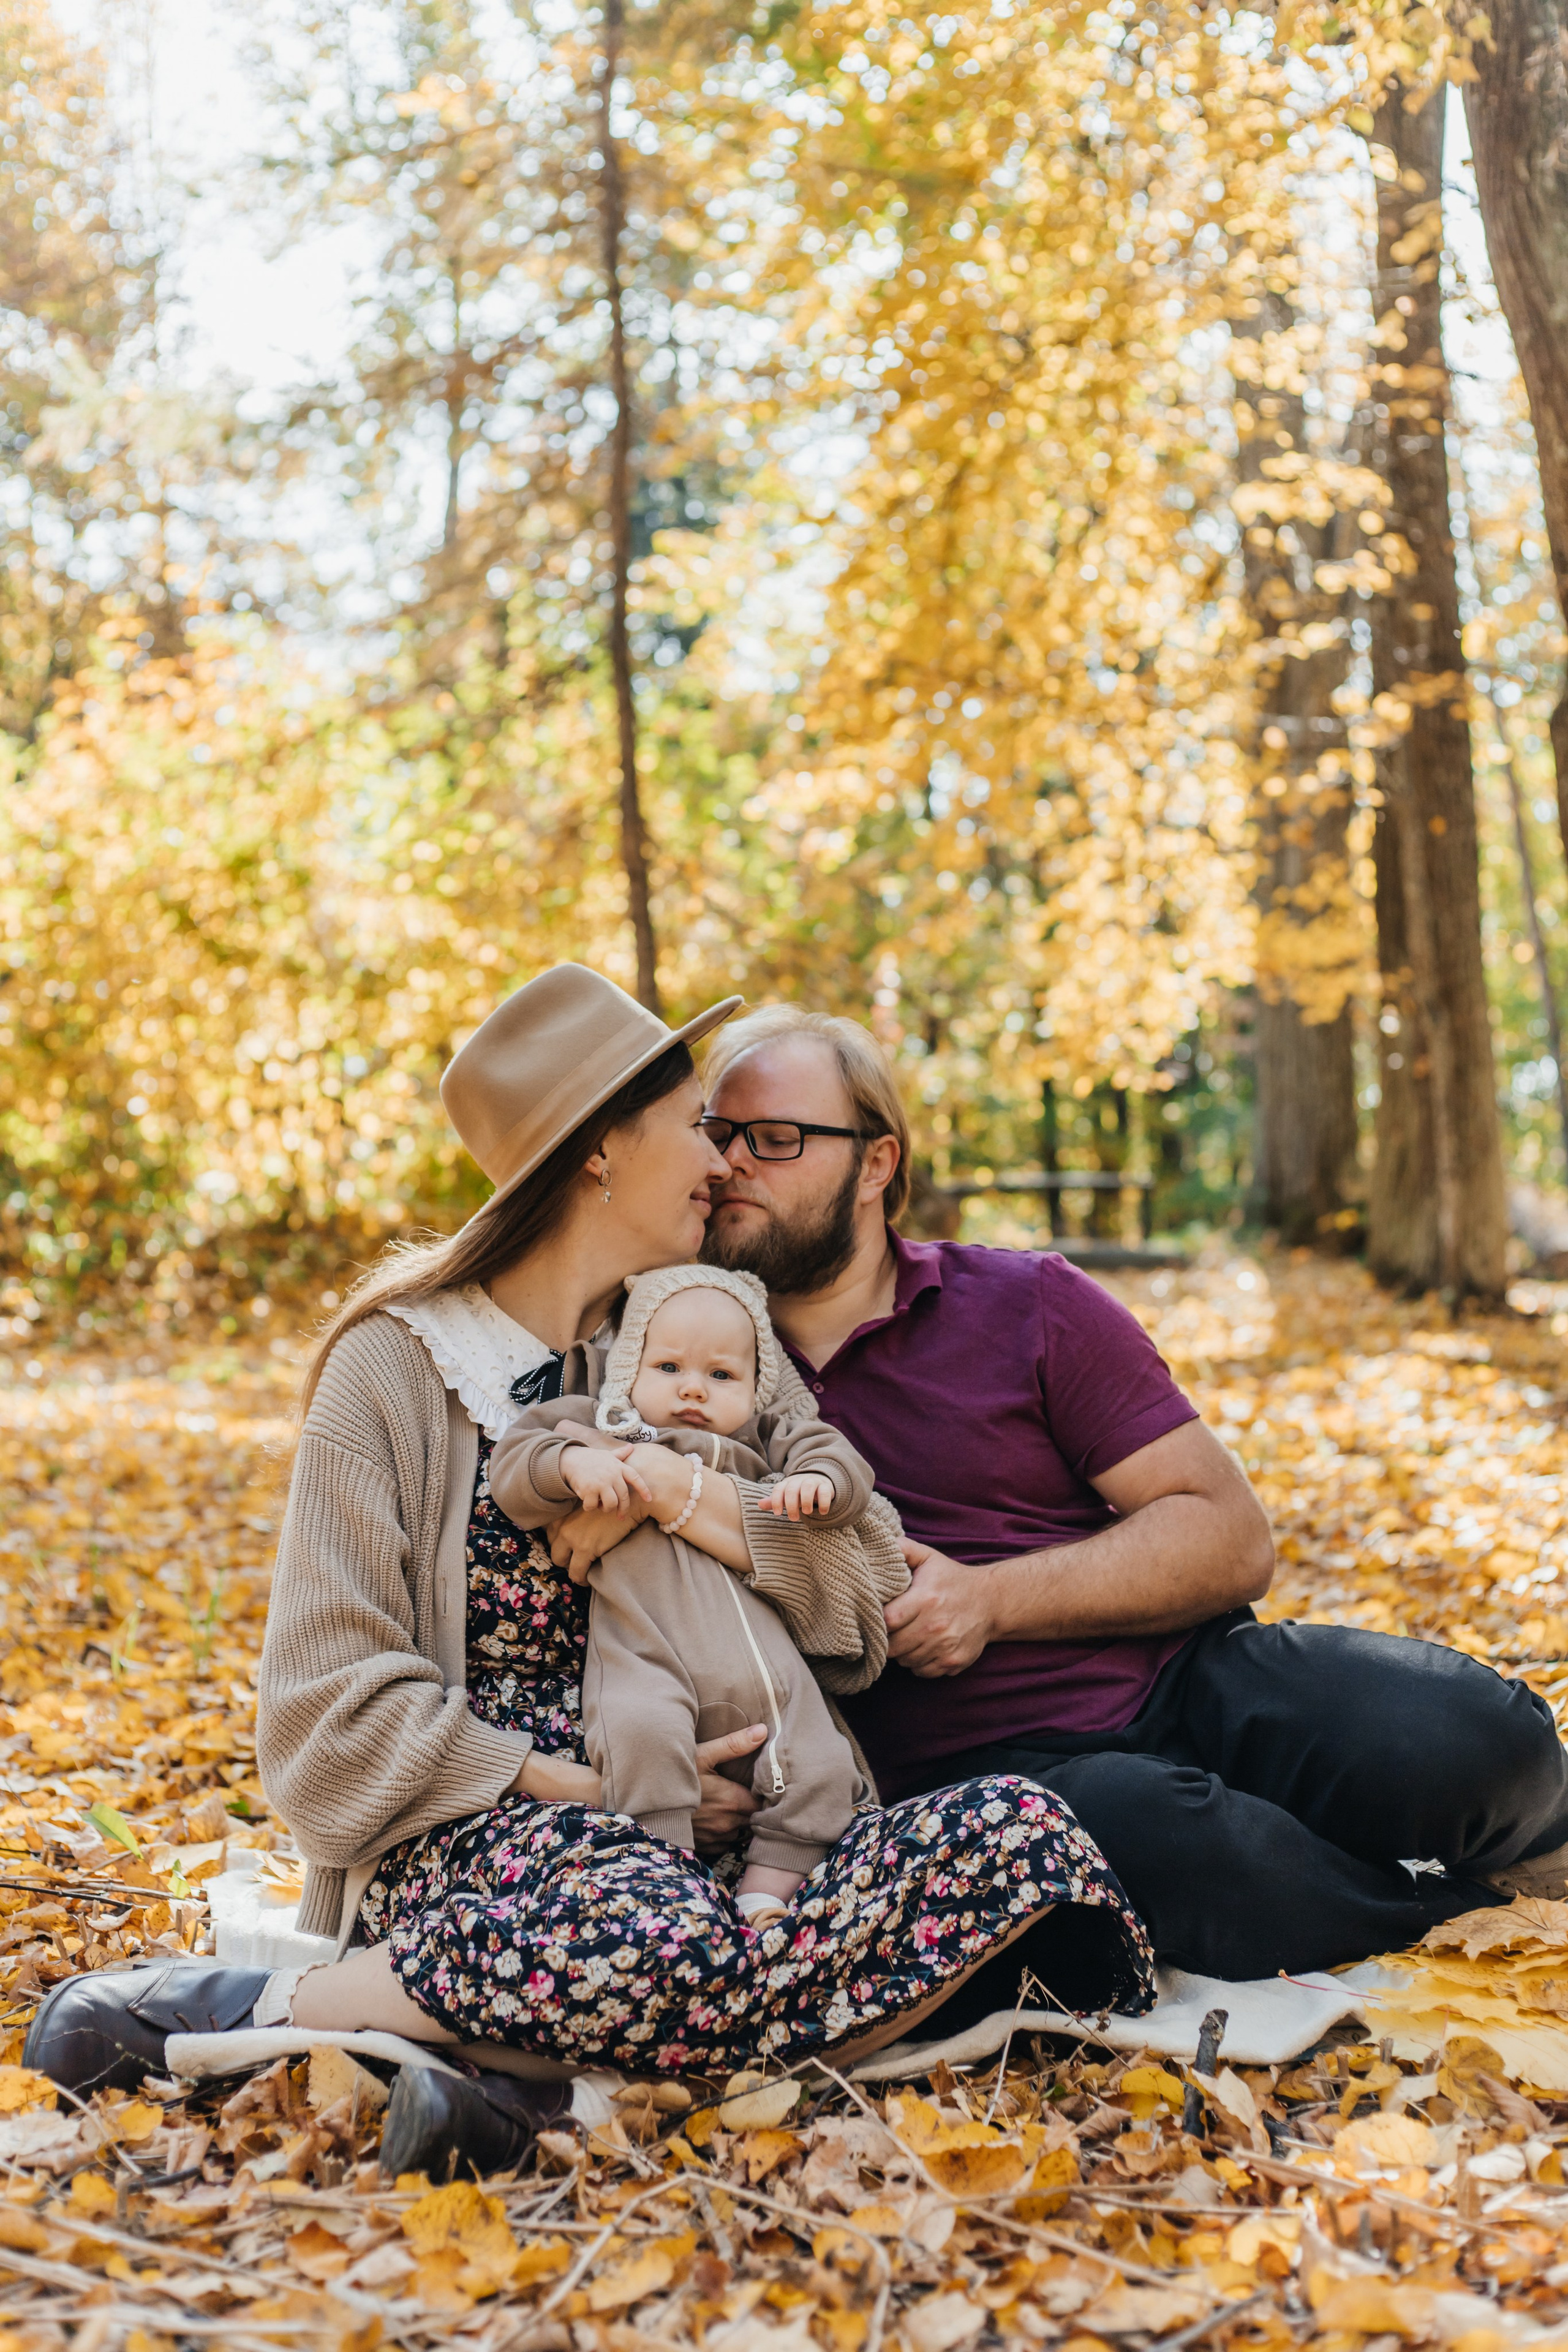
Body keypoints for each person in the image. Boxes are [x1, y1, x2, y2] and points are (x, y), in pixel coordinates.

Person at [25, 965, 1154, 2183]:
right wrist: (597, 1784)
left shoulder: (700, 1337)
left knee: (1024, 1838)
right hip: (501, 1848)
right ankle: (280, 2010)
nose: (719, 1160)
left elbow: (862, 1601)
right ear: (602, 1150)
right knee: (645, 1932)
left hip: (747, 1841)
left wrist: (689, 1496)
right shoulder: (397, 1372)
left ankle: (532, 2085)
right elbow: (318, 1725)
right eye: (691, 1126)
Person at [686, 1001, 1568, 1983]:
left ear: (878, 1164)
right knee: (1164, 1842)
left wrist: (990, 1599)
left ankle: (1526, 1838)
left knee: (1478, 1739)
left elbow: (1230, 1538)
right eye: (715, 1135)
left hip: (1190, 1677)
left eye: (773, 1140)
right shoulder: (679, 1371)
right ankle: (1454, 1918)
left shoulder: (1027, 1303)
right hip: (990, 1783)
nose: (729, 1164)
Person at [488, 1261, 893, 1926]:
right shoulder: (604, 1425)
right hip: (647, 1655)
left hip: (772, 1675)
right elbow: (516, 1462)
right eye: (669, 1368)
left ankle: (765, 1899)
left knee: (822, 1767)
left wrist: (817, 1483)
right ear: (629, 1368)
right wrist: (571, 1463)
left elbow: (844, 1464)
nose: (693, 1391)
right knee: (638, 1738)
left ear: (757, 1386)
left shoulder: (762, 1442)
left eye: (721, 1375)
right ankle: (664, 1885)